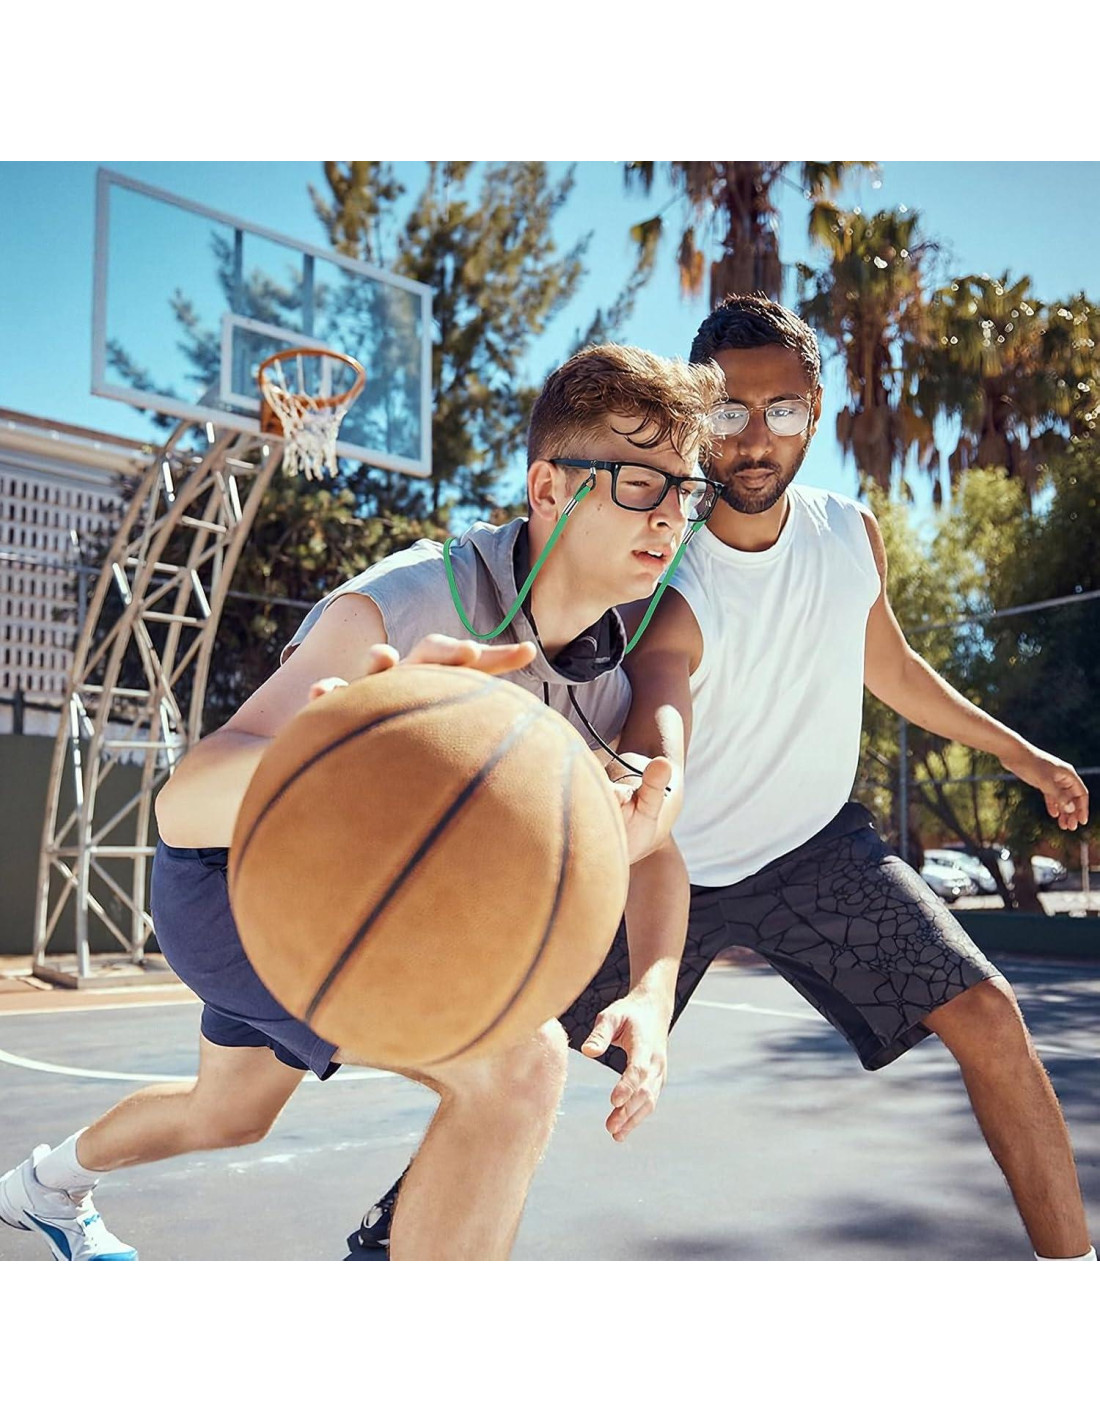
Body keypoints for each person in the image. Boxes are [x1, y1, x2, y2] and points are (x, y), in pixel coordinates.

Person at [353, 296, 1096, 1262]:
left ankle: (1073, 1277)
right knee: (515, 1066)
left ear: (815, 414)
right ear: (699, 420)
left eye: (781, 411)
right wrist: (650, 776)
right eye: (730, 412)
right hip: (666, 868)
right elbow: (662, 693)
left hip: (818, 853)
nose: (754, 438)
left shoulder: (850, 534)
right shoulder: (661, 560)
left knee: (991, 1019)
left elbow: (893, 667)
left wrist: (1017, 752)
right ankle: (389, 1243)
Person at [0, 344, 723, 1263]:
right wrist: (344, 745)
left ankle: (42, 1188)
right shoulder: (412, 602)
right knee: (519, 1066)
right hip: (235, 883)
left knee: (227, 1113)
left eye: (686, 492)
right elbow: (183, 805)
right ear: (549, 488)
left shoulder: (604, 680)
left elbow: (653, 848)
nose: (669, 514)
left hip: (359, 890)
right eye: (639, 481)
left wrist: (653, 993)